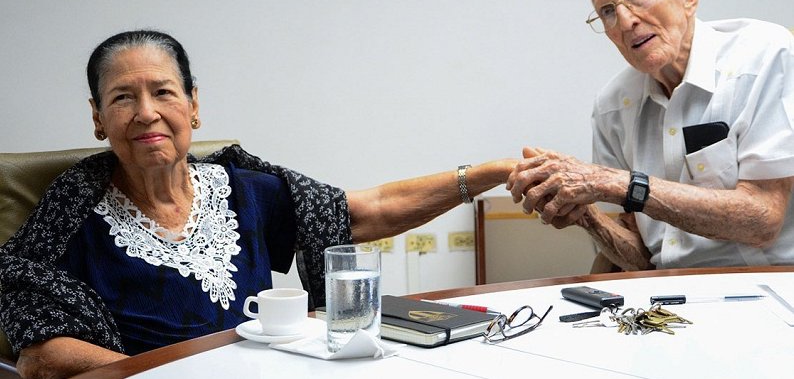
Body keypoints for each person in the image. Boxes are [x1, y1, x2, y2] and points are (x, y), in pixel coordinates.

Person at [0, 30, 518, 378]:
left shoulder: (243, 188)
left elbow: (371, 208)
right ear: (97, 117)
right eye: (121, 98)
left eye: (163, 92)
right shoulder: (69, 215)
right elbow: (42, 356)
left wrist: (490, 174)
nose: (146, 113)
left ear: (193, 106)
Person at [507, 0, 794, 273]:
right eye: (608, 11)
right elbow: (642, 260)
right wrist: (588, 216)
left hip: (767, 288)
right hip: (664, 293)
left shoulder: (765, 56)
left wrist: (613, 183)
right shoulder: (612, 107)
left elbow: (762, 219)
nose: (626, 21)